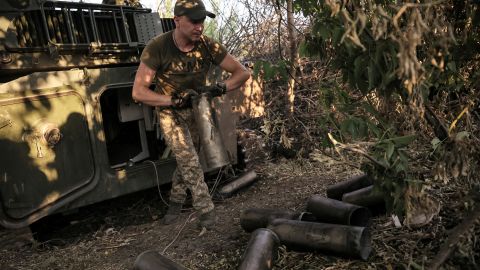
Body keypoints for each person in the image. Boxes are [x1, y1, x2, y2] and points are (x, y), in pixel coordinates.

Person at [132, 0, 250, 229]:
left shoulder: (208, 46)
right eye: (194, 21)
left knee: (188, 161)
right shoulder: (157, 47)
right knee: (190, 160)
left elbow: (242, 73)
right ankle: (207, 213)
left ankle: (174, 205)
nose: (199, 26)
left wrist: (220, 87)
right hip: (169, 112)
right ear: (177, 21)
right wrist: (171, 100)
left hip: (197, 109)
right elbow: (138, 92)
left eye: (202, 21)